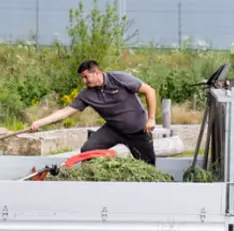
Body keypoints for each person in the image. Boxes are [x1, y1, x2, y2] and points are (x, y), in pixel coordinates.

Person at [29, 60, 158, 164]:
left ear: (96, 72)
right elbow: (65, 112)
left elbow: (149, 91)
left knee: (148, 165)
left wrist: (151, 119)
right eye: (82, 78)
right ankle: (93, 182)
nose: (84, 81)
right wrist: (39, 122)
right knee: (87, 150)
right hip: (113, 129)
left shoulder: (119, 78)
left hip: (138, 130)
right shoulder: (86, 94)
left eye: (86, 77)